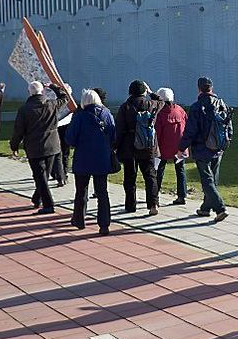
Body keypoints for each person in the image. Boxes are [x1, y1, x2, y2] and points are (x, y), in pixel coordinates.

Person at [10, 81, 70, 215]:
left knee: (41, 176)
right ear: (42, 91)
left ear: (29, 92)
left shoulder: (25, 109)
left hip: (34, 146)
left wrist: (14, 146)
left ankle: (48, 205)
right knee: (43, 175)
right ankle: (37, 198)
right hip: (51, 145)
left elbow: (18, 130)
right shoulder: (51, 104)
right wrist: (53, 86)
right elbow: (65, 97)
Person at [178, 76, 230, 223]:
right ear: (211, 88)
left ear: (199, 89)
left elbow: (190, 131)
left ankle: (220, 208)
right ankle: (206, 208)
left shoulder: (197, 106)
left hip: (202, 148)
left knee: (207, 180)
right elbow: (228, 126)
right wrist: (226, 142)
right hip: (218, 147)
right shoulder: (222, 104)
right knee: (213, 178)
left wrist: (182, 147)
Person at [65, 89, 116, 235]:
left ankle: (79, 219)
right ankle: (104, 224)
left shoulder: (79, 116)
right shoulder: (107, 113)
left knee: (81, 190)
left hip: (83, 157)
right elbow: (113, 134)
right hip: (102, 157)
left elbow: (70, 138)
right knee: (102, 192)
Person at [114, 80, 165, 216]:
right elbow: (162, 101)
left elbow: (119, 129)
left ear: (130, 92)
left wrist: (115, 146)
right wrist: (151, 92)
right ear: (144, 92)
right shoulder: (151, 104)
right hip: (148, 145)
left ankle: (130, 205)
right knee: (150, 175)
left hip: (129, 145)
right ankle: (153, 204)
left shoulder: (125, 107)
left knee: (130, 176)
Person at [155, 87, 188, 206]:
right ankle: (182, 195)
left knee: (159, 170)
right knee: (180, 170)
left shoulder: (160, 113)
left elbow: (157, 132)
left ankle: (155, 196)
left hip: (163, 147)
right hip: (180, 147)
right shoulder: (180, 110)